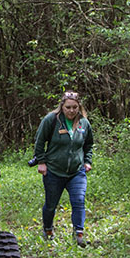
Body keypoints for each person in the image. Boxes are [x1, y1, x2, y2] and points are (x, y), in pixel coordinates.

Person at [33, 91, 94, 246]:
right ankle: (48, 229)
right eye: (68, 107)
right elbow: (39, 142)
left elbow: (88, 144)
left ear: (79, 107)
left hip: (76, 171)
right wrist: (41, 162)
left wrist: (87, 161)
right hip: (54, 170)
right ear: (62, 106)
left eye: (74, 107)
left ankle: (79, 234)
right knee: (51, 204)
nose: (71, 110)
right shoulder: (51, 120)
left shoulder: (83, 123)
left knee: (79, 201)